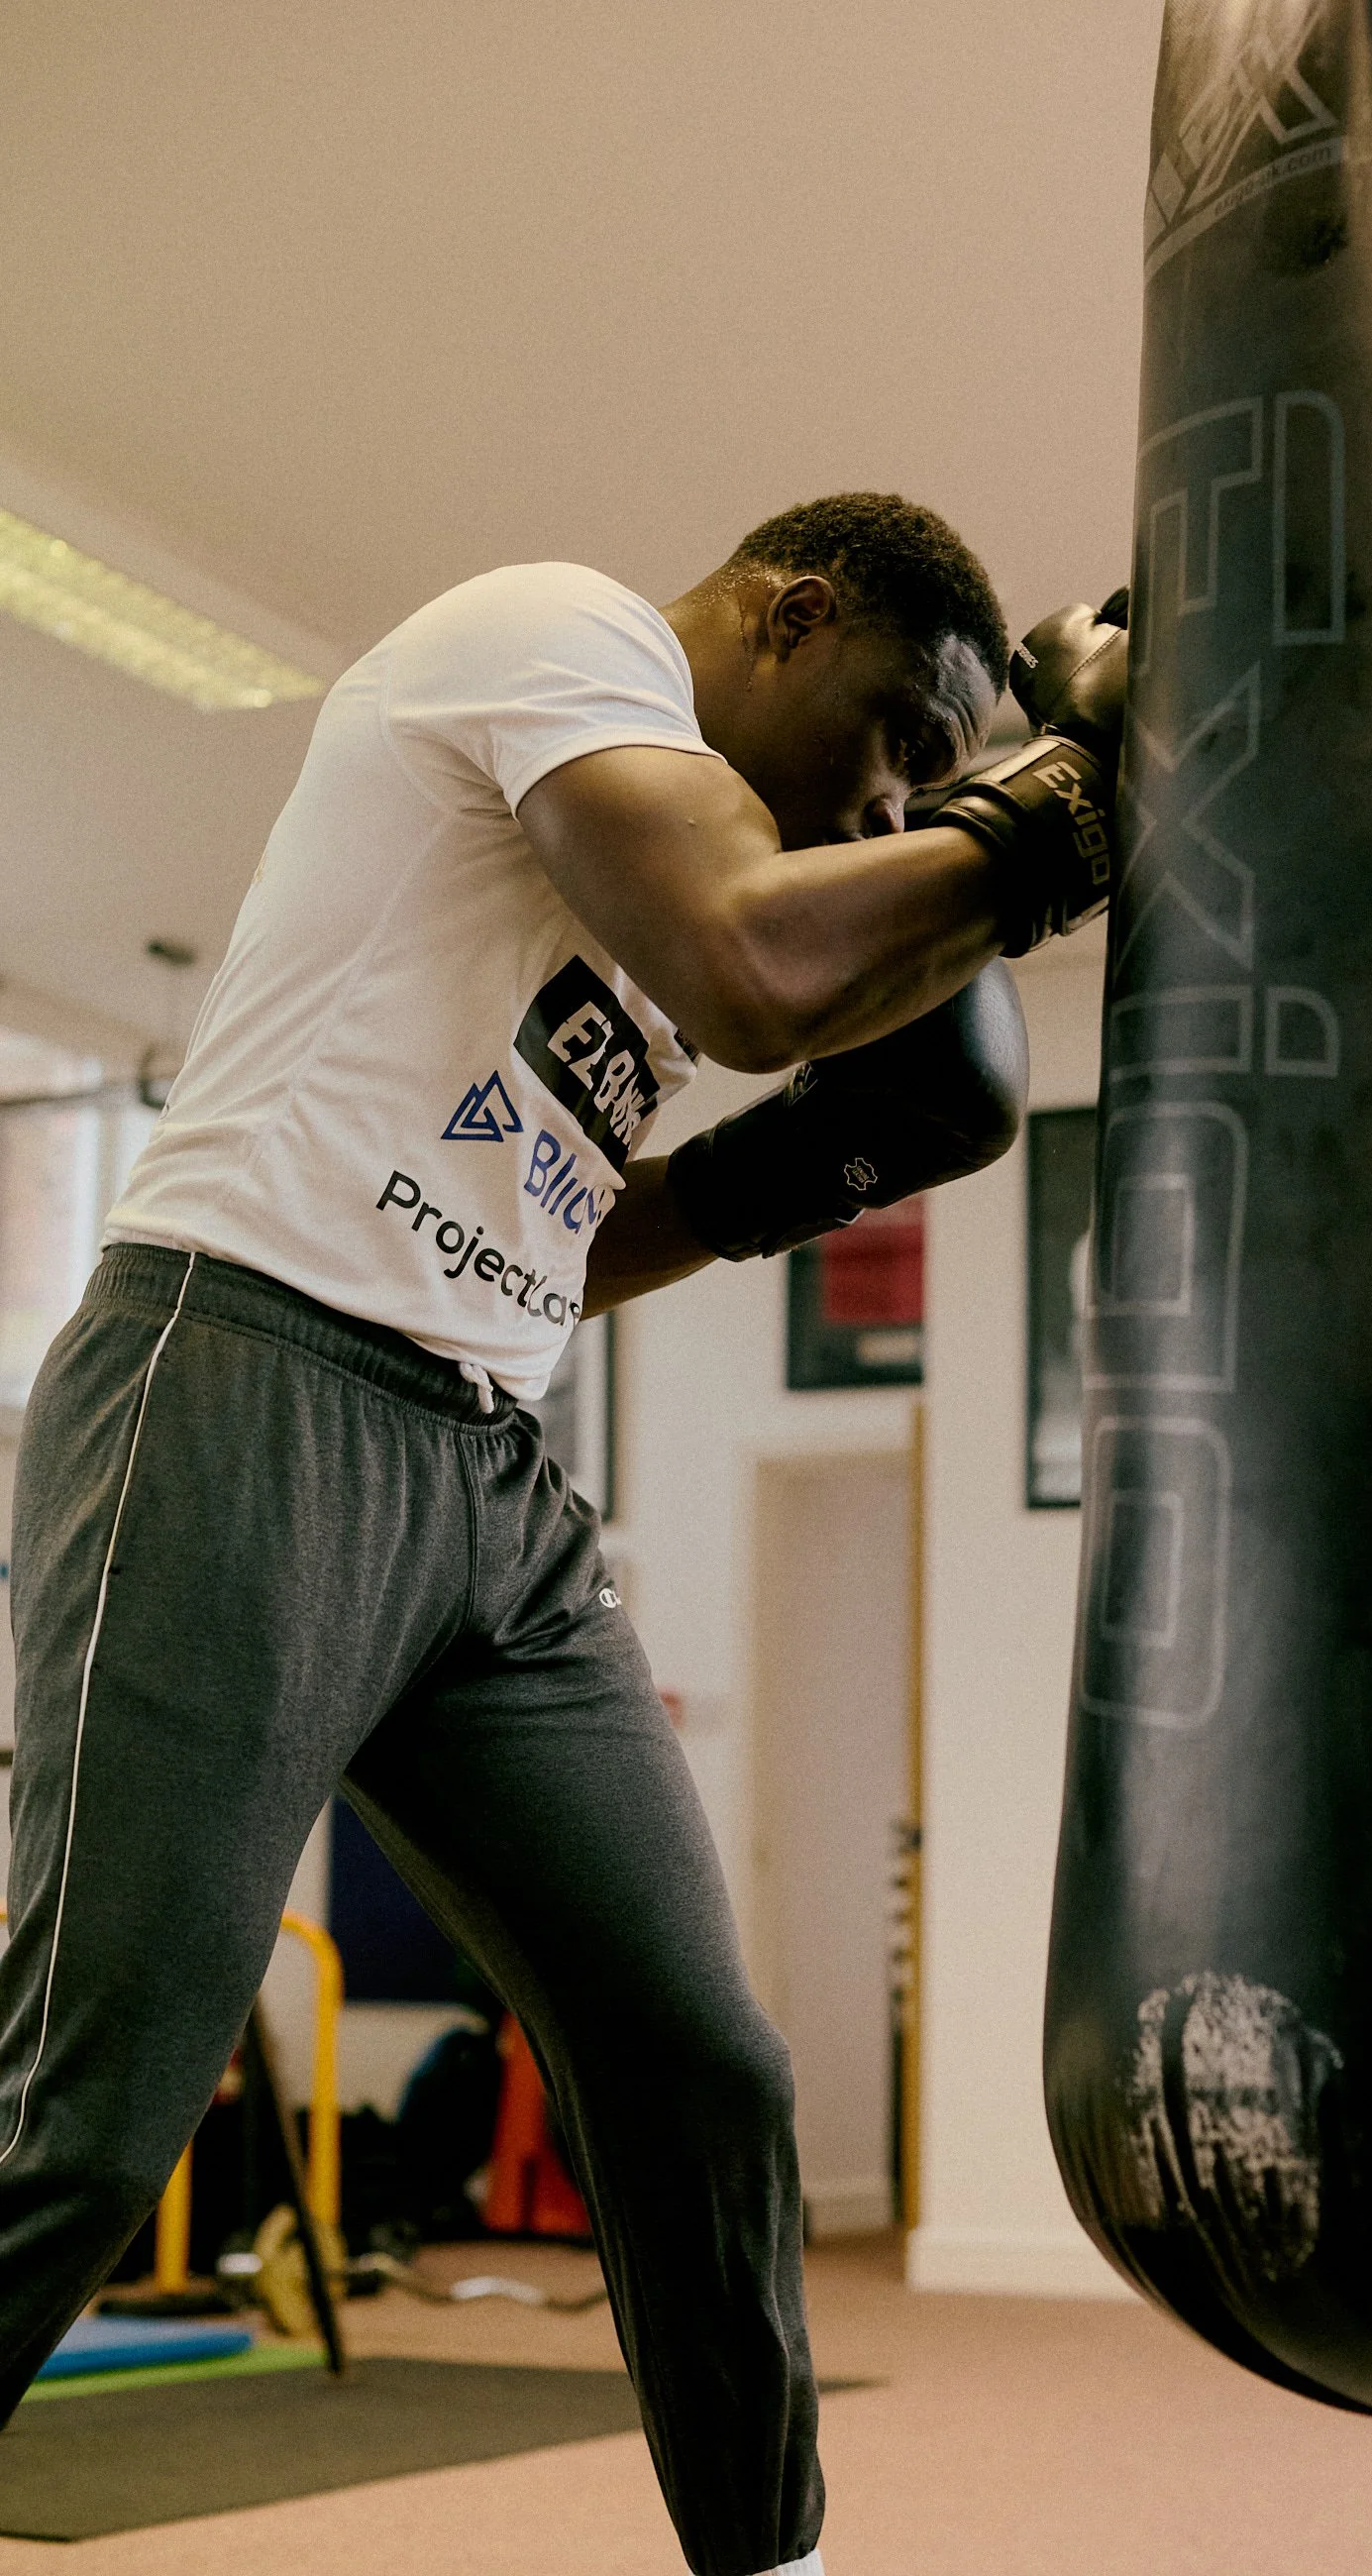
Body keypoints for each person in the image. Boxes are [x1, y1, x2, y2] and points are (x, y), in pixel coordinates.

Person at [0, 492, 1119, 2576]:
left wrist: (806, 1153)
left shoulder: (652, 896)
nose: (874, 804)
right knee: (94, 2095)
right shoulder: (555, 639)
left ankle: (763, 2558)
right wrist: (1047, 814)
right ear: (790, 612)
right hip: (239, 1374)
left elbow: (604, 1227)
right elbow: (753, 970)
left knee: (696, 2060)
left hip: (484, 1481)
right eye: (881, 747)